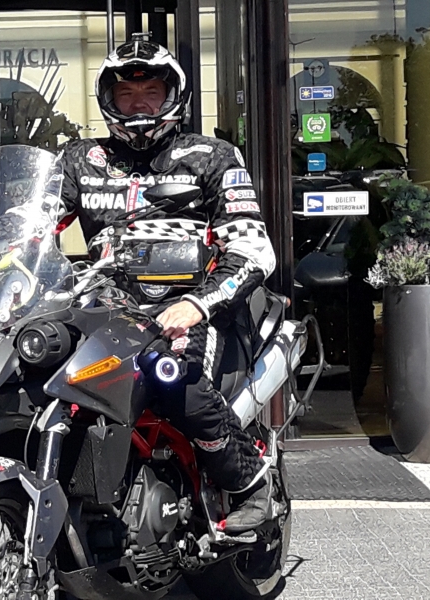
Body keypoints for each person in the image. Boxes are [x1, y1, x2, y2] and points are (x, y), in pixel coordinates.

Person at [57, 35, 277, 534]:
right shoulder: (79, 159)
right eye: (126, 94)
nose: (138, 104)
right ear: (108, 99)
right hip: (104, 305)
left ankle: (247, 480)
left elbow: (254, 249)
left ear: (172, 96)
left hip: (185, 304)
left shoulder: (212, 156)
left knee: (175, 378)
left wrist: (199, 304)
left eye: (151, 92)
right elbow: (33, 225)